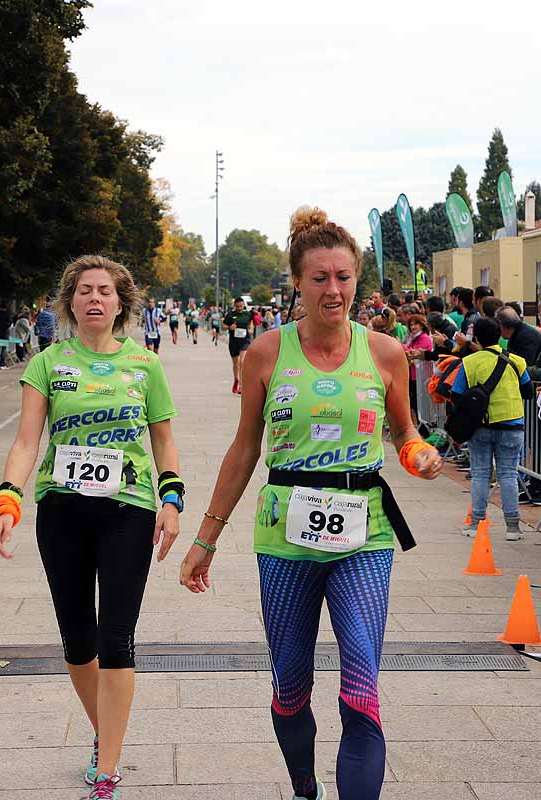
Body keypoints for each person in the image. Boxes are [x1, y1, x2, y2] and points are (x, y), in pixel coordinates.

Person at [179, 206, 442, 800]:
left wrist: (418, 454)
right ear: (296, 282)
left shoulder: (384, 353)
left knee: (361, 687)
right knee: (291, 684)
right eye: (320, 278)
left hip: (364, 534)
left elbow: (406, 432)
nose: (334, 289)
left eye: (344, 277)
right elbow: (245, 448)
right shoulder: (266, 354)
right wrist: (205, 539)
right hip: (285, 534)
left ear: (358, 280)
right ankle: (304, 787)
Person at [0, 255, 182, 800]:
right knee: (78, 642)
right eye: (84, 291)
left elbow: (163, 439)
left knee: (116, 638)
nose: (95, 299)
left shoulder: (145, 365)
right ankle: (105, 734)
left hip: (129, 507)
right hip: (63, 510)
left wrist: (172, 497)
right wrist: (8, 497)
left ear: (122, 304)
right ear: (70, 302)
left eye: (105, 291)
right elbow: (27, 441)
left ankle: (108, 767)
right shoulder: (49, 362)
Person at [453, 318, 533, 541]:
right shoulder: (517, 361)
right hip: (512, 425)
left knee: (480, 473)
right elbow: (528, 391)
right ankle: (513, 527)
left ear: (475, 337)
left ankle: (476, 522)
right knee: (508, 474)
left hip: (481, 426)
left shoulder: (469, 363)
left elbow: (456, 395)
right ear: (499, 335)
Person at [224, 297, 254, 394]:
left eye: (241, 306)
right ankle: (236, 379)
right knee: (236, 364)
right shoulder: (230, 315)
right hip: (233, 342)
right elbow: (223, 326)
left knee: (242, 362)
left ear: (243, 305)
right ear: (234, 306)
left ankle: (241, 385)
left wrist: (251, 330)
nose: (239, 308)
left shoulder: (247, 314)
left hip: (244, 341)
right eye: (237, 306)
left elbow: (251, 323)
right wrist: (230, 327)